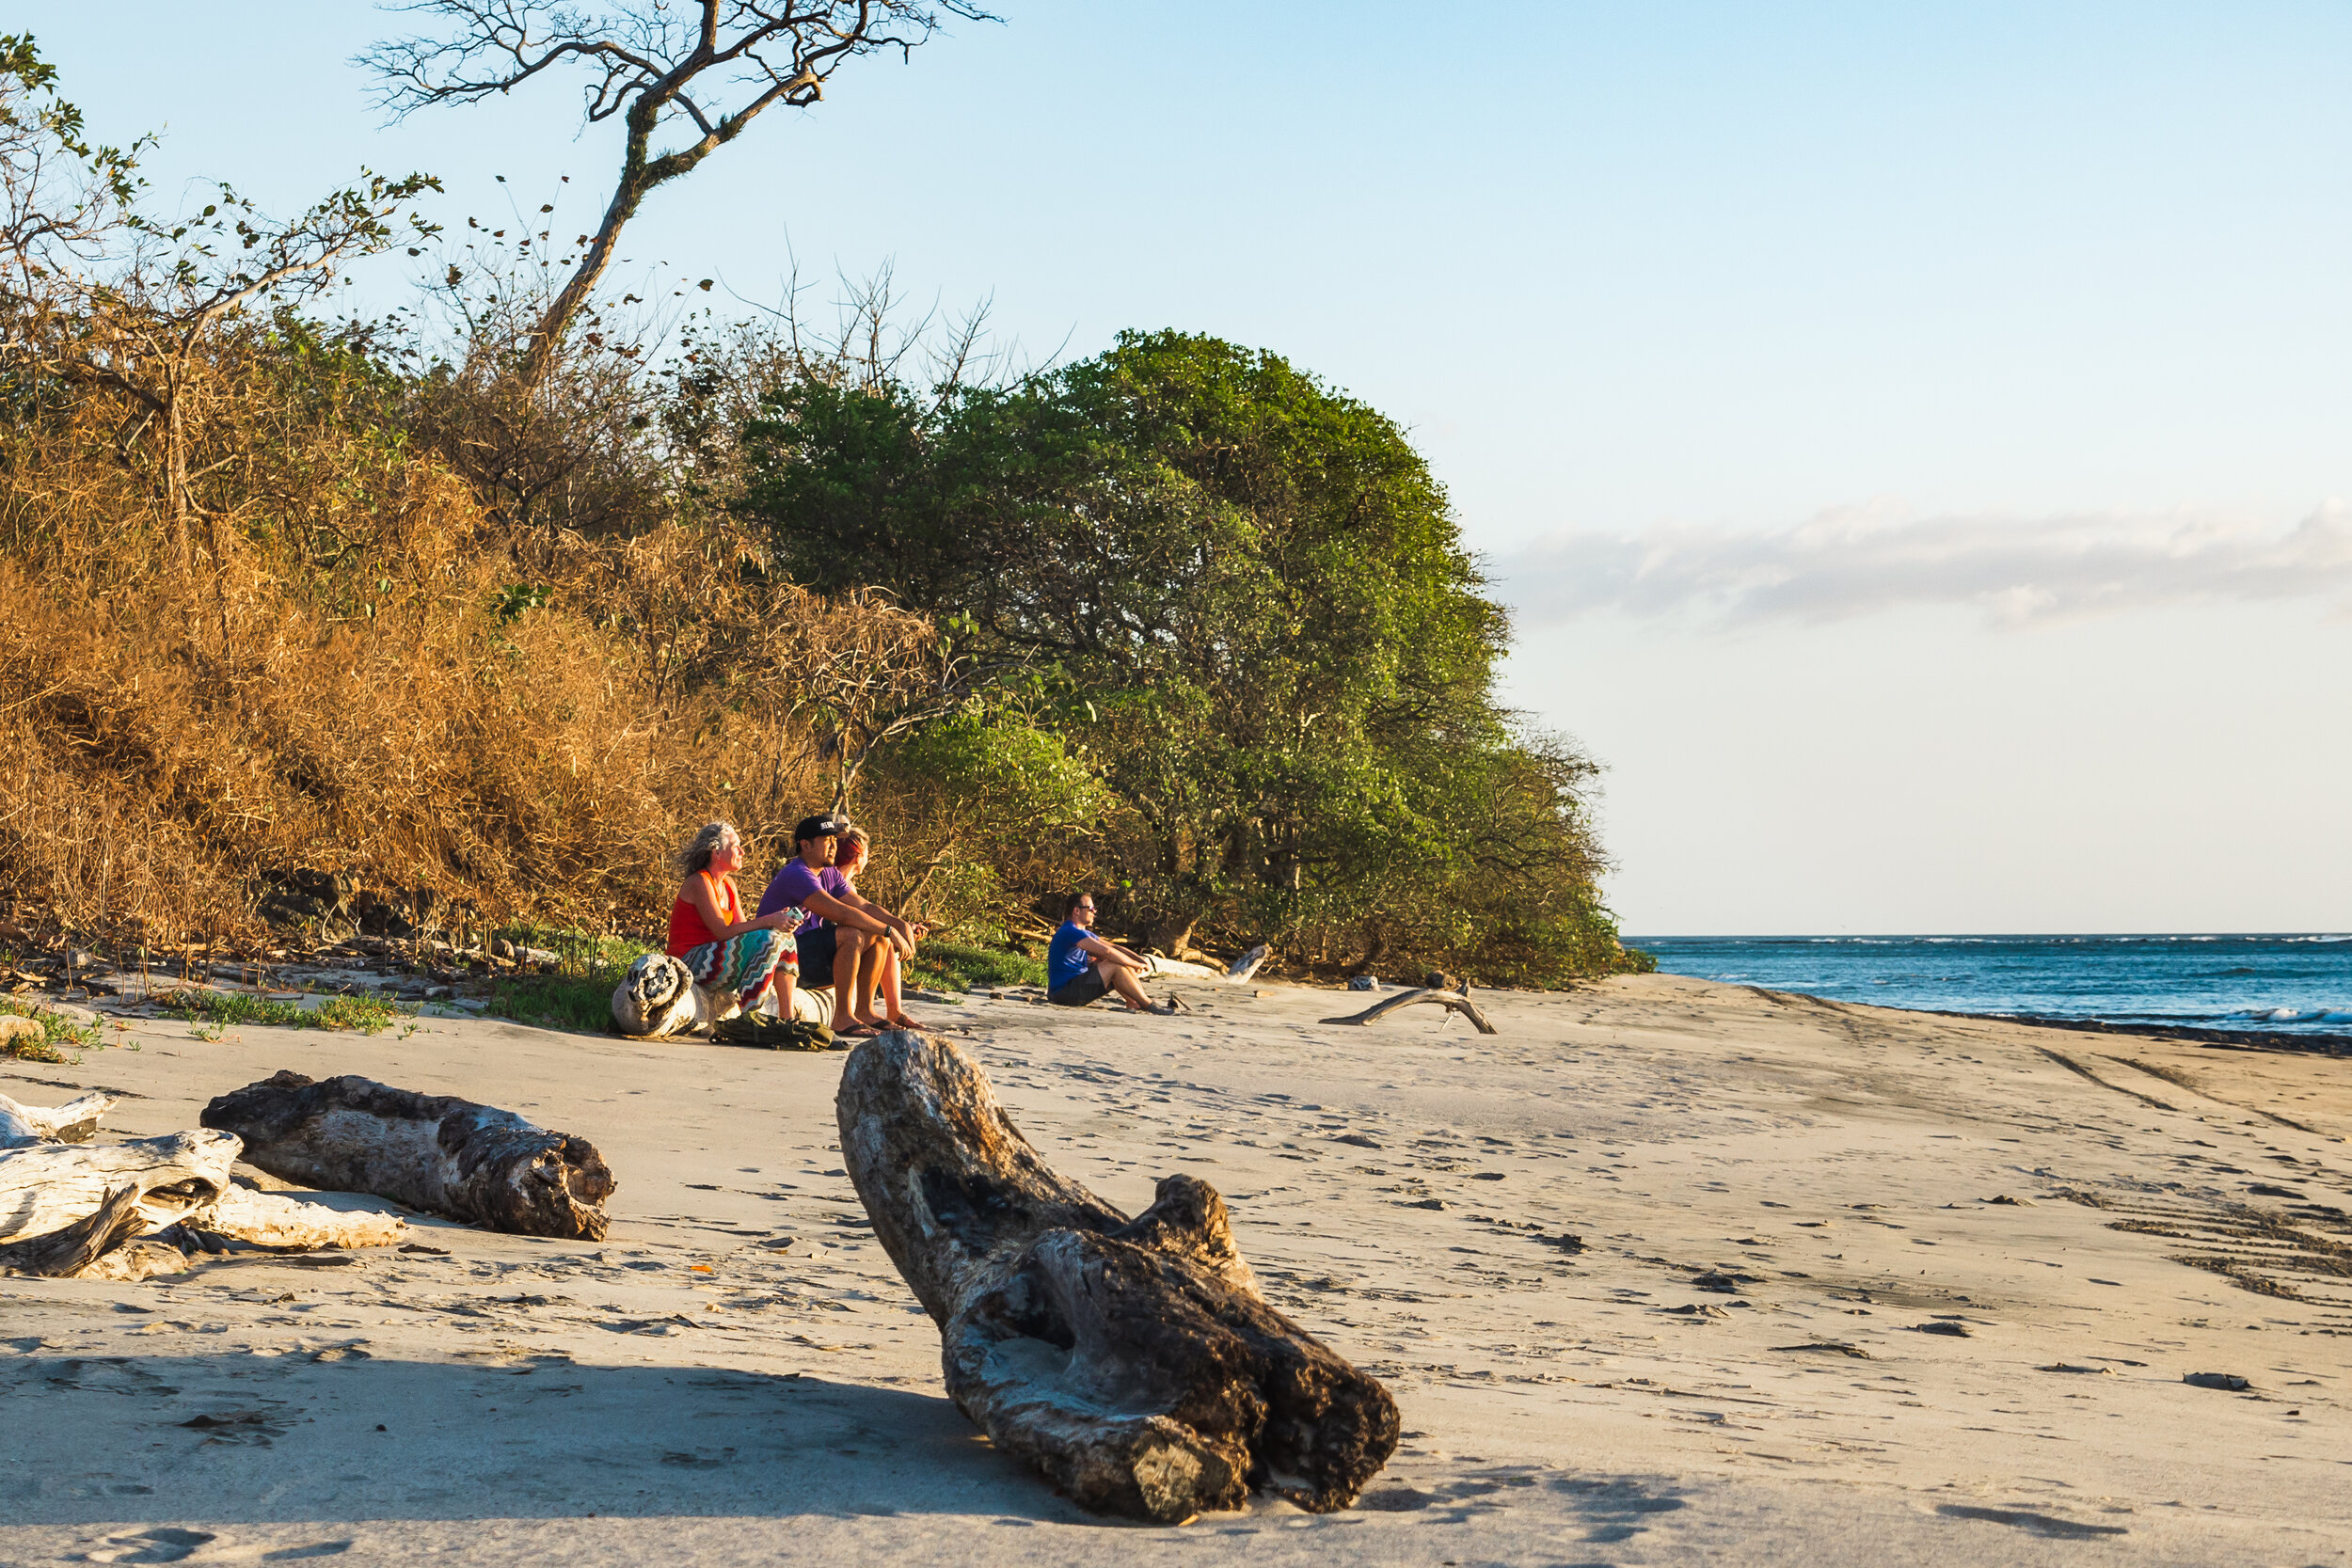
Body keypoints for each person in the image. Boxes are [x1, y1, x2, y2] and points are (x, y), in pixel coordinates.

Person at [755, 814, 919, 1037]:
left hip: (808, 954)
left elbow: (863, 906)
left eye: (835, 840)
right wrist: (889, 930)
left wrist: (898, 925)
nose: (834, 846)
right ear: (806, 845)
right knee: (852, 935)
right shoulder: (797, 873)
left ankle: (865, 1010)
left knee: (878, 937)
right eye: (827, 840)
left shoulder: (829, 873)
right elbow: (842, 913)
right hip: (785, 960)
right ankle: (842, 1017)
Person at [665, 821, 802, 1019]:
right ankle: (751, 1017)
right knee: (769, 939)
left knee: (785, 938)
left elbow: (743, 930)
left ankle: (787, 1019)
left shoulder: (728, 884)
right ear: (716, 852)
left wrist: (778, 922)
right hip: (689, 960)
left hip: (715, 955)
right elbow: (722, 931)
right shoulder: (700, 881)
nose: (742, 852)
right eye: (735, 846)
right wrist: (769, 920)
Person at [834, 829, 926, 1030]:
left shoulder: (844, 883)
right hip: (835, 949)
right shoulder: (835, 880)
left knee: (883, 936)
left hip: (842, 944)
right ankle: (888, 1010)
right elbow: (851, 918)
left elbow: (865, 911)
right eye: (867, 853)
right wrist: (893, 929)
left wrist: (901, 926)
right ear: (858, 857)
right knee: (880, 935)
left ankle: (892, 1011)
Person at [1045, 893, 1159, 1012]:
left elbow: (1114, 946)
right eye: (1091, 909)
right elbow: (1108, 952)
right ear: (1077, 911)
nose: (1094, 912)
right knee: (1114, 964)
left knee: (1120, 962)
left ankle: (1134, 1002)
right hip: (1064, 994)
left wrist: (1139, 960)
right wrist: (1136, 965)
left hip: (1071, 990)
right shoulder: (1070, 931)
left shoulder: (1083, 933)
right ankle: (1148, 1005)